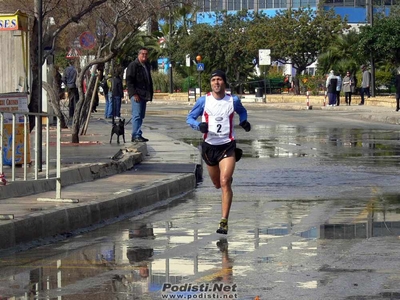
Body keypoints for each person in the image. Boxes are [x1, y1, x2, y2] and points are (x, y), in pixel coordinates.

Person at [186, 70, 251, 235]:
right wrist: (198, 126)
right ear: (210, 83)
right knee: (217, 184)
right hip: (209, 147)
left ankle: (224, 222)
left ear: (224, 82)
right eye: (213, 79)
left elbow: (242, 111)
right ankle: (226, 178)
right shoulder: (203, 101)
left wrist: (244, 121)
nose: (216, 82)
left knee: (224, 181)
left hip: (227, 146)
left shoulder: (233, 100)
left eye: (219, 79)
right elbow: (190, 118)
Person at [126, 47, 154, 142]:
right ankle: (135, 135)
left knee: (141, 116)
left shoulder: (146, 65)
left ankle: (138, 133)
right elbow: (129, 81)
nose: (145, 56)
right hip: (136, 95)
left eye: (146, 54)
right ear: (139, 55)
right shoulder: (133, 65)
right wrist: (134, 94)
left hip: (144, 95)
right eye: (143, 54)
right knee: (136, 115)